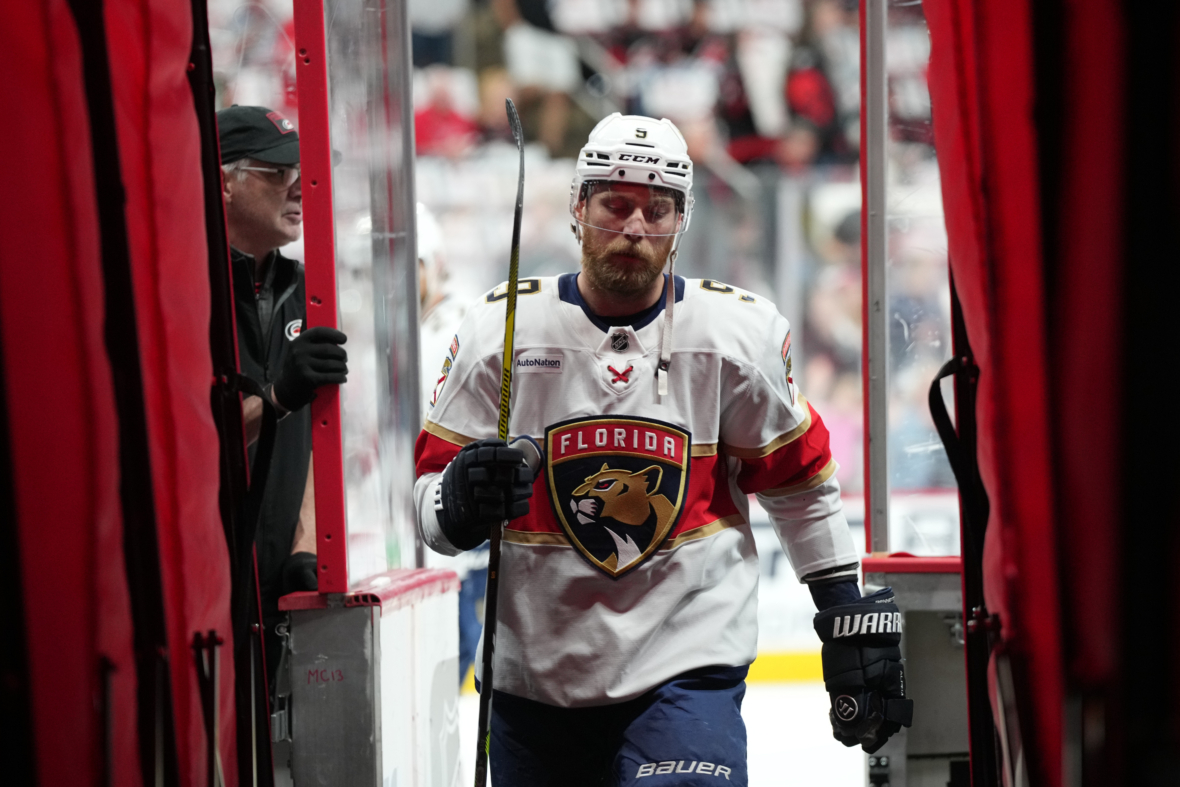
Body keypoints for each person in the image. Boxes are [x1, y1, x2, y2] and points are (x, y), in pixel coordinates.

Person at [412, 113, 912, 784]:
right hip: (534, 680)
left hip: (686, 665)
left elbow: (798, 483)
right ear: (578, 207)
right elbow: (429, 508)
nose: (635, 227)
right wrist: (456, 502)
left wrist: (840, 604)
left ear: (682, 219)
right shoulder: (496, 331)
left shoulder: (736, 335)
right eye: (615, 204)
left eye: (657, 209)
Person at [218, 104, 349, 675]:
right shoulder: (186, 291)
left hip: (285, 587)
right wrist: (275, 398)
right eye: (277, 172)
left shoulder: (307, 287)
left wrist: (307, 543)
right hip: (211, 583)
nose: (299, 188)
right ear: (224, 181)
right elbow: (188, 446)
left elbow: (323, 427)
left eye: (302, 172)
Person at [416, 201, 488, 685]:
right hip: (460, 507)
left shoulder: (448, 329)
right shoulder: (437, 322)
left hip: (459, 508)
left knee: (460, 645)